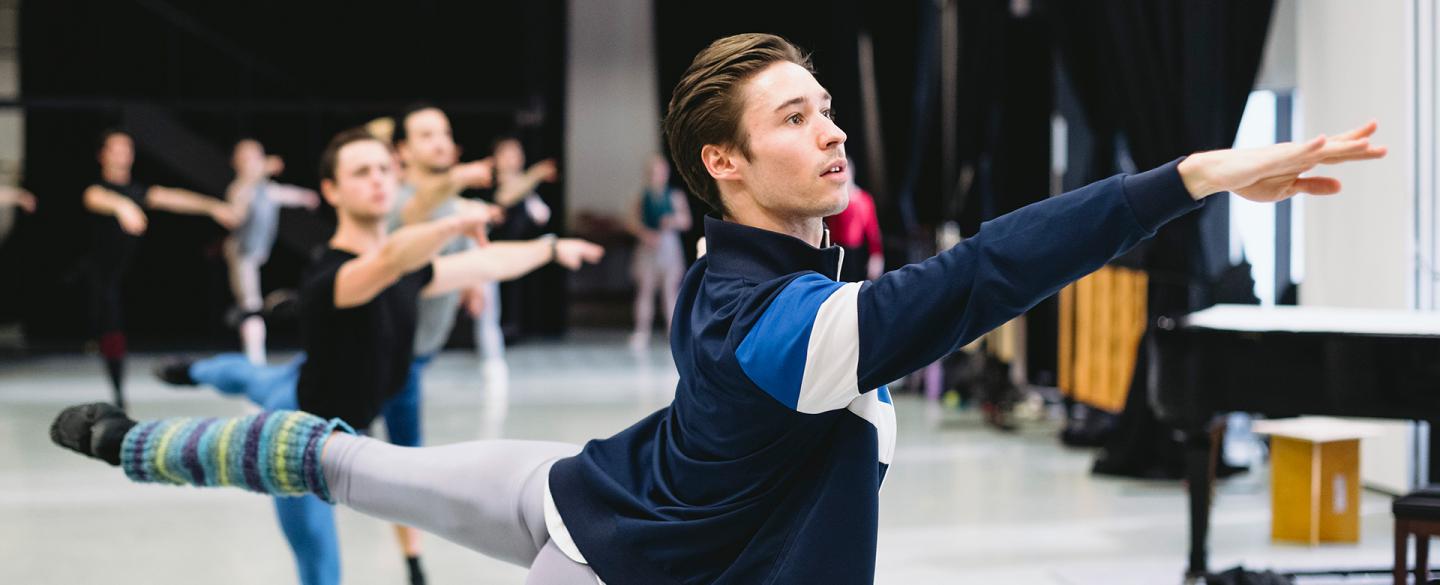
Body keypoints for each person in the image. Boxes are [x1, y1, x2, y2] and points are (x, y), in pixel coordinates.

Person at [52, 33, 1385, 584]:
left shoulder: (769, 281)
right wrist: (1184, 177)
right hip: (611, 557)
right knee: (334, 453)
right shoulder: (772, 317)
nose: (832, 126)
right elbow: (970, 282)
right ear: (725, 166)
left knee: (346, 455)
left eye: (826, 102)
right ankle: (145, 441)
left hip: (579, 476)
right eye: (793, 114)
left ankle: (141, 437)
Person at [148, 127, 600, 585]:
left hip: (324, 398)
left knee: (253, 376)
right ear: (331, 190)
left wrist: (551, 247)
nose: (379, 180)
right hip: (300, 428)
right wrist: (447, 226)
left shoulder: (409, 271)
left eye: (385, 169)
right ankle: (195, 369)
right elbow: (386, 264)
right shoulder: (332, 275)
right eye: (362, 172)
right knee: (320, 567)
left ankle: (199, 368)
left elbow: (485, 263)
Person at [83, 129, 238, 410]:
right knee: (105, 321)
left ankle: (118, 394)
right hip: (93, 277)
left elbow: (174, 198)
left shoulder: (138, 191)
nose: (124, 154)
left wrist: (213, 207)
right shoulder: (97, 190)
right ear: (102, 155)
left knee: (115, 329)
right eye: (116, 148)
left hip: (119, 279)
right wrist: (123, 207)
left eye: (127, 148)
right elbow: (96, 198)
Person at [224, 138, 322, 364]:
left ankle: (255, 354)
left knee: (254, 305)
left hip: (260, 253)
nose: (254, 162)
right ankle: (255, 358)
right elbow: (239, 203)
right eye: (247, 158)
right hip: (242, 255)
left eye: (257, 156)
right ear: (236, 162)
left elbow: (285, 194)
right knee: (251, 306)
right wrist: (261, 169)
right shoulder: (240, 188)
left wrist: (306, 197)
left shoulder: (266, 189)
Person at [627, 154, 691, 351]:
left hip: (668, 245)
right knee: (645, 290)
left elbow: (686, 221)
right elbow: (631, 222)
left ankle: (673, 333)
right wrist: (644, 233)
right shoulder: (642, 196)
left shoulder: (675, 196)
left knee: (670, 292)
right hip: (648, 246)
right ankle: (641, 331)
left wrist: (671, 221)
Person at [824, 158, 884, 282]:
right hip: (835, 249)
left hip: (856, 253)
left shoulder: (864, 198)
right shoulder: (833, 198)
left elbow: (873, 231)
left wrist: (876, 254)